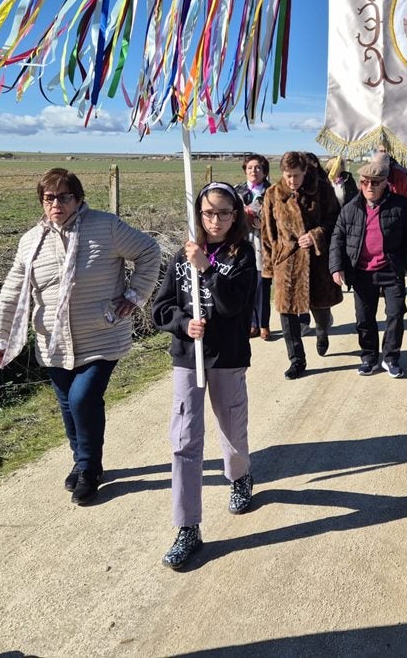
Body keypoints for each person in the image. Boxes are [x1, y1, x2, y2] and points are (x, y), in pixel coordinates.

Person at [0, 168, 161, 505]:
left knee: (82, 399)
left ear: (79, 199)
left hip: (101, 335)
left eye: (65, 196)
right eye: (49, 198)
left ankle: (90, 470)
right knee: (68, 405)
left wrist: (134, 296)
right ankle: (81, 462)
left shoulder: (105, 226)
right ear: (42, 201)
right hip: (52, 340)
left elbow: (148, 251)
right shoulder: (30, 242)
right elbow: (12, 291)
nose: (57, 203)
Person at [152, 183, 258, 568]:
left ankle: (239, 475)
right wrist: (184, 324)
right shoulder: (182, 255)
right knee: (184, 440)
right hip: (187, 358)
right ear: (199, 214)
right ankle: (187, 528)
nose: (215, 221)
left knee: (231, 429)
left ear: (236, 216)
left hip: (227, 356)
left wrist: (206, 268)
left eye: (224, 213)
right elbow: (160, 309)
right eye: (208, 213)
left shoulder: (242, 254)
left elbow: (232, 304)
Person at [330, 161, 407, 377]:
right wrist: (336, 267)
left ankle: (391, 357)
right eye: (365, 182)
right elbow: (337, 239)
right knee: (364, 318)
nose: (369, 186)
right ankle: (369, 356)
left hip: (391, 269)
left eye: (375, 182)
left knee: (396, 313)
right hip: (361, 272)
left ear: (385, 183)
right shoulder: (350, 208)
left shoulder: (400, 206)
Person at [261, 151, 343, 379]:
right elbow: (268, 232)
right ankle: (296, 359)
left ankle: (322, 330)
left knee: (320, 307)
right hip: (286, 261)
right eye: (287, 175)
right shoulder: (273, 194)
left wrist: (316, 235)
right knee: (286, 312)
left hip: (317, 261)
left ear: (305, 171)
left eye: (296, 175)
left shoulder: (322, 191)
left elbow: (336, 222)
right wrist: (269, 265)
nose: (291, 181)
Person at [236, 153, 273, 340]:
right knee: (247, 284)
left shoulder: (273, 191)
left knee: (262, 284)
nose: (254, 171)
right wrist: (244, 213)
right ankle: (251, 323)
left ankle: (264, 324)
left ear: (264, 171)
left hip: (265, 244)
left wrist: (262, 221)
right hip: (243, 243)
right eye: (250, 168)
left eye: (258, 168)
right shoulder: (237, 191)